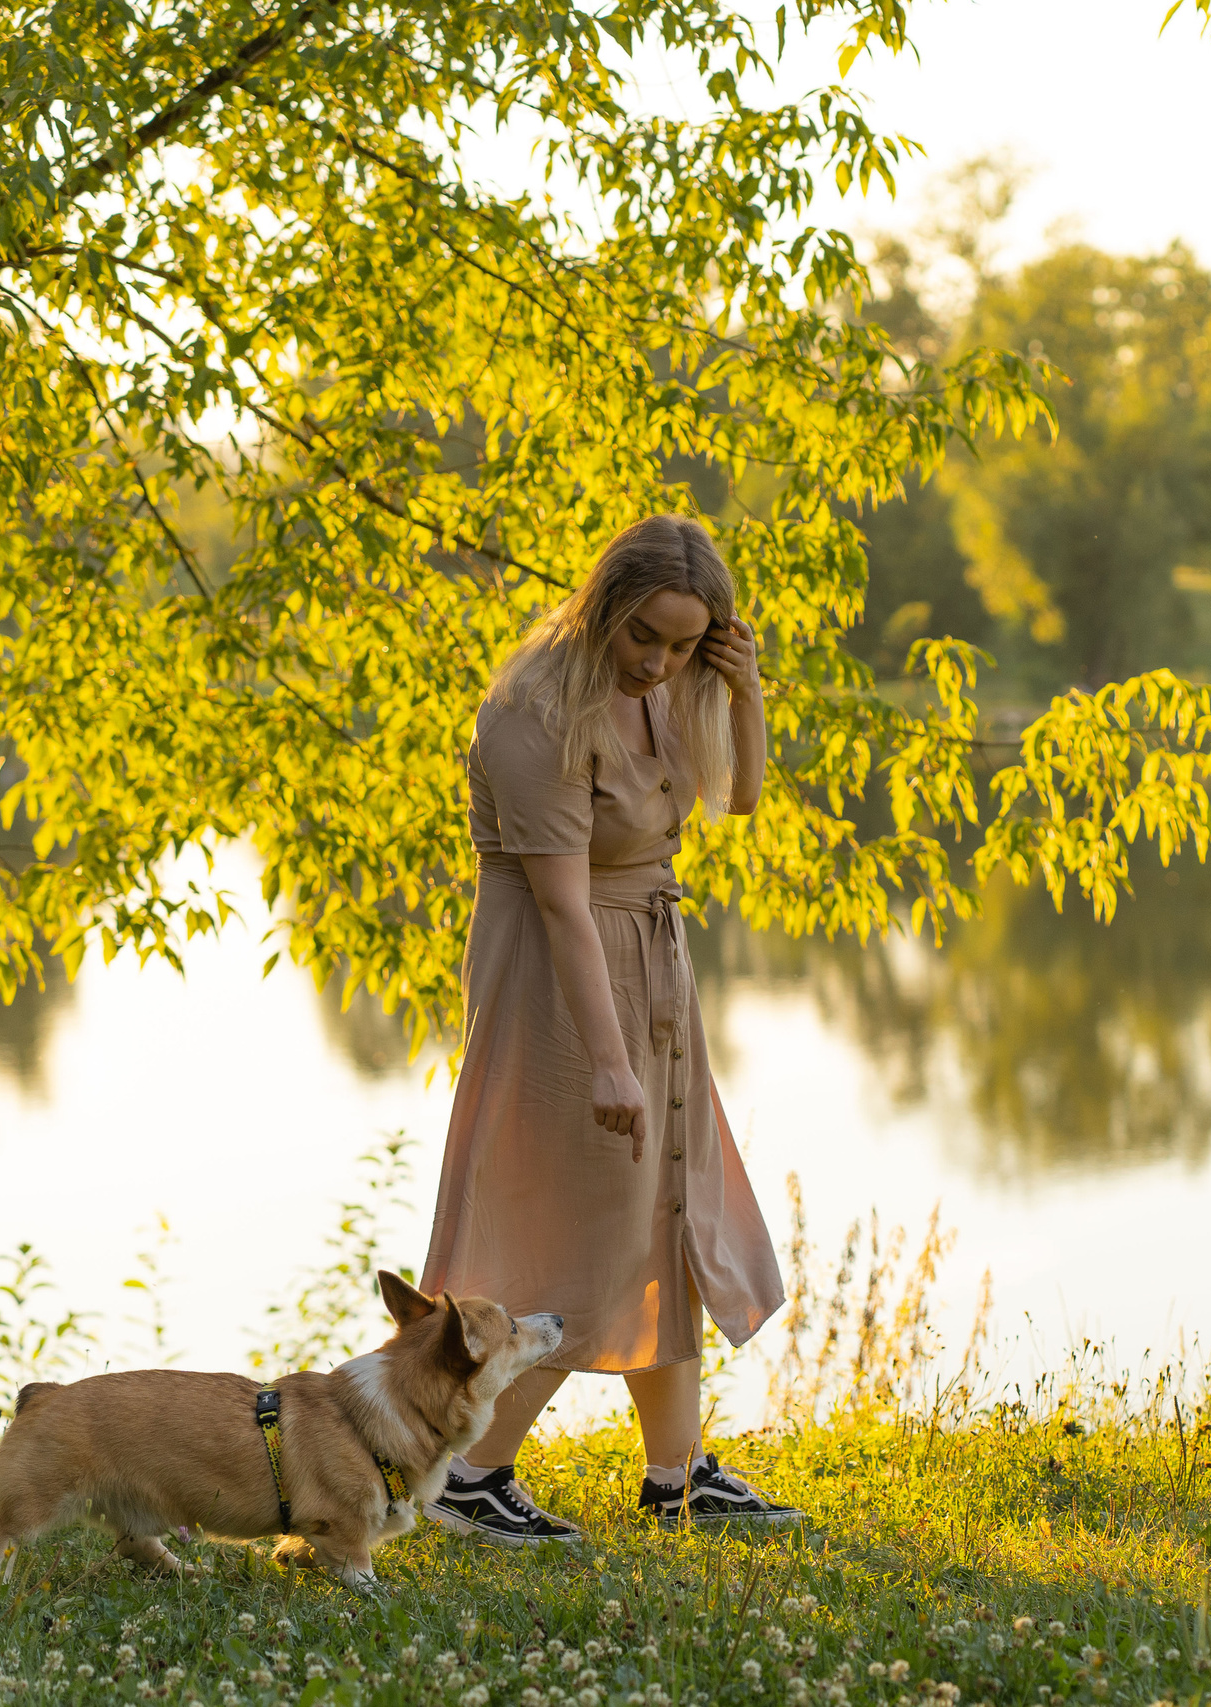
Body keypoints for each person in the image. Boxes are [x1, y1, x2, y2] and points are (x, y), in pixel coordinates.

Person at [418, 514, 794, 1545]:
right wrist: (610, 1062)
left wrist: (742, 689)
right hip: (560, 980)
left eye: (684, 644)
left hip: (649, 959)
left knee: (667, 1209)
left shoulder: (664, 689)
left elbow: (742, 799)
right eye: (645, 636)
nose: (659, 662)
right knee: (577, 1225)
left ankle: (678, 1477)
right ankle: (469, 1475)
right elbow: (561, 904)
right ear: (604, 606)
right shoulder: (535, 713)